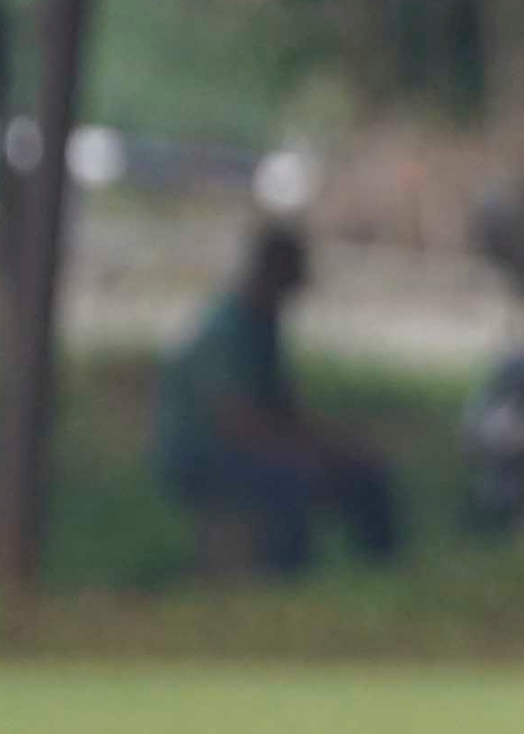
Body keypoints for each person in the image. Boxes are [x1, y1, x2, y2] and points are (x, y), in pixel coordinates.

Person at [153, 220, 400, 576]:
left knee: (365, 472)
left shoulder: (262, 324)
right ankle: (281, 583)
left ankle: (382, 575)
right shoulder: (230, 327)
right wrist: (306, 451)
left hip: (243, 445)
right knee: (293, 484)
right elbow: (238, 421)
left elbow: (283, 409)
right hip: (202, 455)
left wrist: (332, 442)